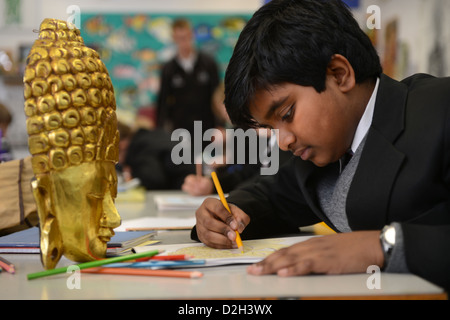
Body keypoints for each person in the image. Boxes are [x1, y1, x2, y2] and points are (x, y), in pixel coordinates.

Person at [192, 0, 450, 291]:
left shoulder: (440, 109)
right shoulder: (321, 150)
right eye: (270, 128)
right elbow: (272, 195)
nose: (284, 140)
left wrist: (381, 246)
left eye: (287, 114)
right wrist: (226, 214)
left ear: (340, 73)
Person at [156, 18, 220, 158]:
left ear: (192, 35)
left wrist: (219, 125)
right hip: (180, 127)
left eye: (186, 37)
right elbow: (162, 101)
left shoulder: (208, 64)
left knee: (207, 164)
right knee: (183, 163)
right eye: (179, 38)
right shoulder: (169, 68)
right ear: (174, 39)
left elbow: (218, 98)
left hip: (206, 125)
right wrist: (160, 130)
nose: (183, 42)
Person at [118, 108, 196, 190]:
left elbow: (154, 180)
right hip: (191, 182)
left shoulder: (139, 147)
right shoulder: (147, 136)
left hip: (186, 188)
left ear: (122, 145)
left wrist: (133, 174)